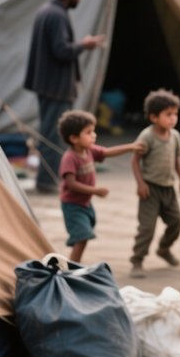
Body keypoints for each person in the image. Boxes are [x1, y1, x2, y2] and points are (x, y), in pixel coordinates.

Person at [24, 0, 105, 193]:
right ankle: (48, 182)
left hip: (47, 85)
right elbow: (61, 50)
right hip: (56, 87)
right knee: (54, 136)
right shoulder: (57, 15)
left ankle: (47, 179)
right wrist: (84, 45)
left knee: (49, 132)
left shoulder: (46, 11)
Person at [57, 110, 142, 263]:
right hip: (72, 205)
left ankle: (73, 264)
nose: (94, 135)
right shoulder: (70, 158)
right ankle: (71, 267)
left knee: (83, 237)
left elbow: (107, 152)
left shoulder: (89, 150)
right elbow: (71, 184)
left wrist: (131, 147)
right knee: (82, 236)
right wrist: (95, 191)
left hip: (85, 203)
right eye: (89, 132)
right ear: (74, 138)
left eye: (93, 131)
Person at [129, 89, 180, 278]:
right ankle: (137, 260)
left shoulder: (175, 136)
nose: (173, 118)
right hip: (150, 189)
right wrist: (140, 184)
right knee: (147, 227)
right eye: (168, 114)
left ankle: (164, 248)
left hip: (168, 188)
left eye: (175, 114)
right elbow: (135, 160)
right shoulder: (147, 136)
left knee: (176, 221)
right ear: (154, 117)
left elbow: (176, 159)